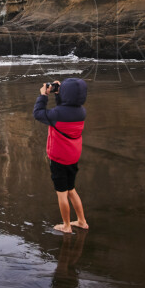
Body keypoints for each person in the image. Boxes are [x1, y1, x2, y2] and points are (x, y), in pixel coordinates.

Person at [33, 78, 89, 234]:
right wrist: (58, 95)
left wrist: (43, 96)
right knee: (71, 189)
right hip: (73, 156)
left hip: (58, 158)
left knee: (62, 193)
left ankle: (66, 225)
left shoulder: (57, 114)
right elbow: (63, 109)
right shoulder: (81, 111)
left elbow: (38, 113)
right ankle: (82, 221)